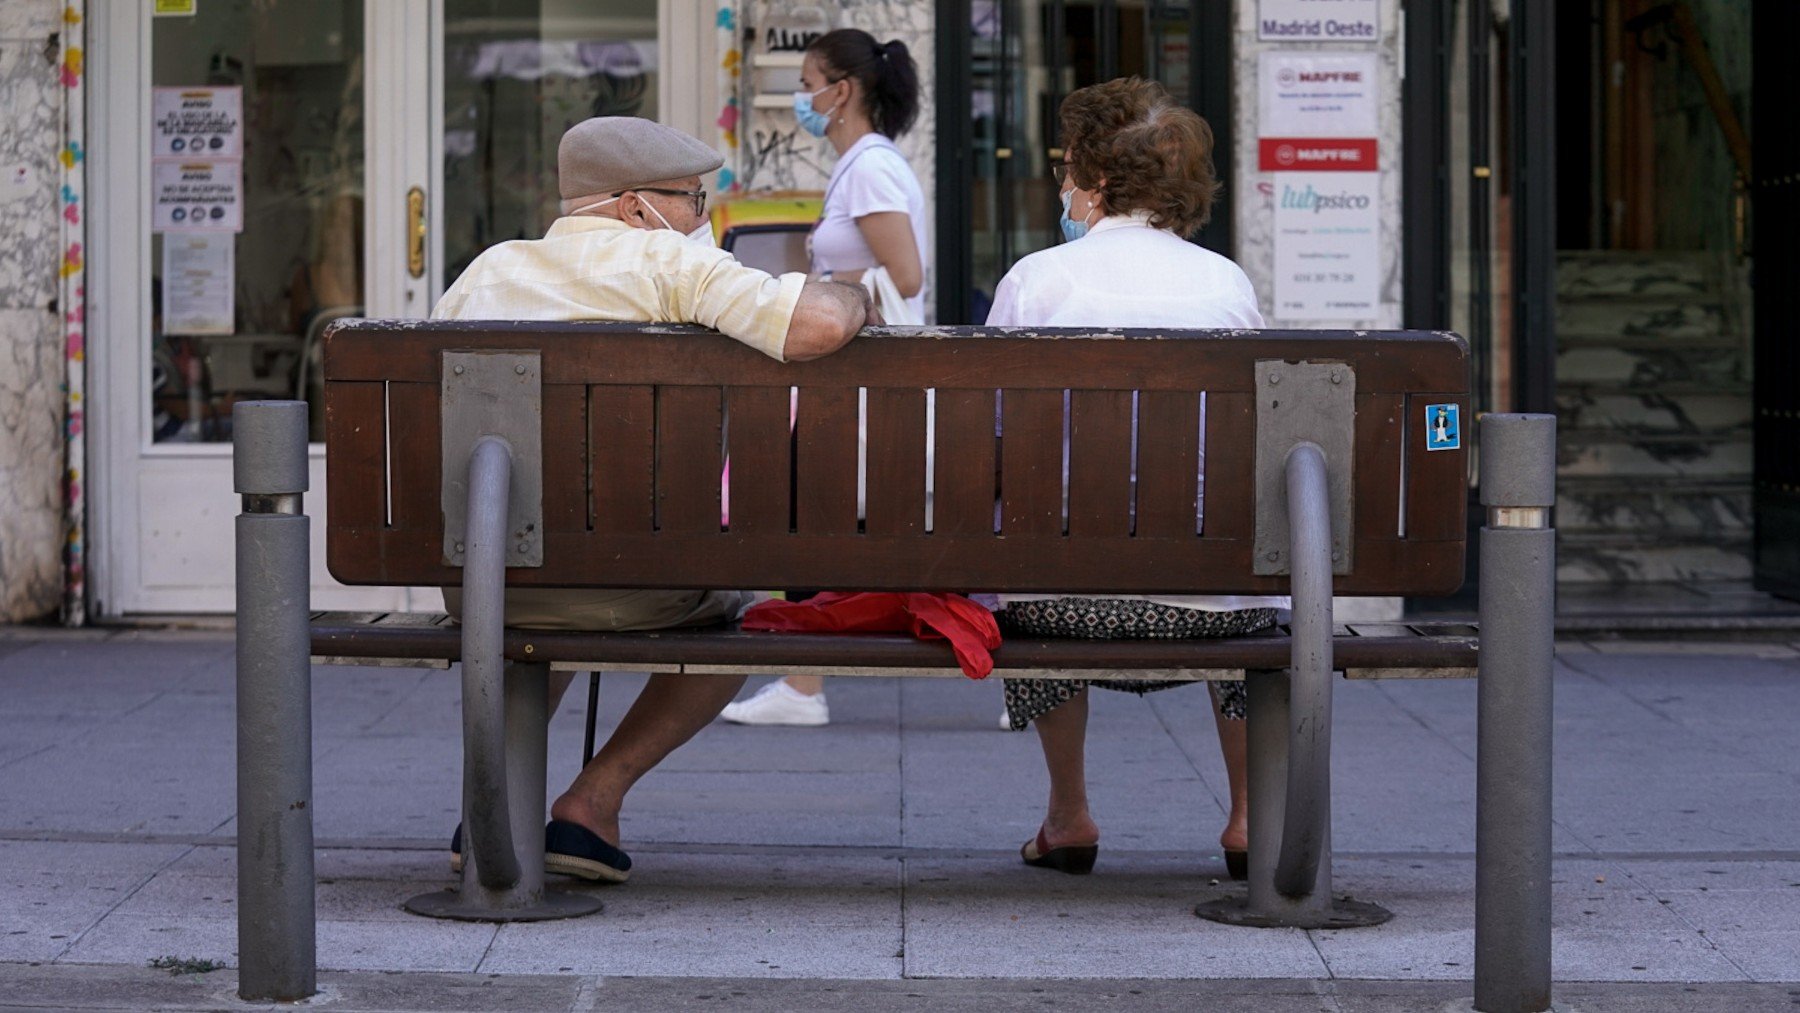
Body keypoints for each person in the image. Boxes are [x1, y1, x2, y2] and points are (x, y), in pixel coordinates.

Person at [434, 116, 878, 882]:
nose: (702, 218)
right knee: (739, 618)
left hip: (490, 584)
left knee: (534, 577)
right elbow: (815, 325)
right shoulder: (673, 267)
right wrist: (857, 298)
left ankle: (492, 805)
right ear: (637, 207)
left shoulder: (484, 273)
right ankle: (592, 803)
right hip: (640, 584)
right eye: (695, 200)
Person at [985, 78, 1287, 878]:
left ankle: (1068, 814)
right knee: (1256, 606)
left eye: (1066, 170)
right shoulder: (1225, 283)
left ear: (1097, 181)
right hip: (1219, 604)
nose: (1061, 186)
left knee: (1034, 553)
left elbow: (993, 435)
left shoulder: (1036, 279)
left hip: (1064, 601)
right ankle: (1251, 820)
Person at [721, 28, 928, 727]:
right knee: (826, 511)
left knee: (811, 509)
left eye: (807, 80)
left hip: (859, 375)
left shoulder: (869, 168)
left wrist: (825, 292)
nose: (799, 96)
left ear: (840, 91)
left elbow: (905, 276)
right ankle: (802, 681)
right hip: (855, 375)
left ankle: (803, 684)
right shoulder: (865, 165)